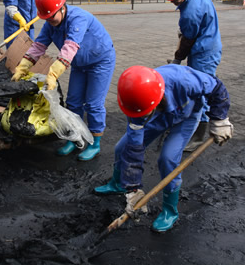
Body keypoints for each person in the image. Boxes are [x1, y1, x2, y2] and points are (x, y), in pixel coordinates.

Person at [94, 65, 233, 232]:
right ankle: (119, 184)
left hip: (186, 116)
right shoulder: (135, 104)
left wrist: (219, 120)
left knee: (168, 159)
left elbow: (217, 88)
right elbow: (134, 148)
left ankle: (169, 211)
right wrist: (133, 189)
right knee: (122, 148)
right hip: (157, 117)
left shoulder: (183, 80)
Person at [11, 0, 115, 161]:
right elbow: (39, 45)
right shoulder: (50, 24)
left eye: (51, 16)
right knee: (73, 101)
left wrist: (53, 74)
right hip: (79, 64)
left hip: (100, 61)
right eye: (46, 18)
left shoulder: (78, 18)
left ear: (62, 8)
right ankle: (74, 138)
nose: (49, 21)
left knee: (93, 104)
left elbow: (70, 47)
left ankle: (95, 143)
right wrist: (23, 67)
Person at [162, 0, 222, 152]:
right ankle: (189, 125)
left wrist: (177, 59)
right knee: (196, 89)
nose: (172, 2)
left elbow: (188, 41)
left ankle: (197, 136)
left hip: (204, 53)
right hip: (207, 43)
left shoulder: (190, 14)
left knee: (200, 91)